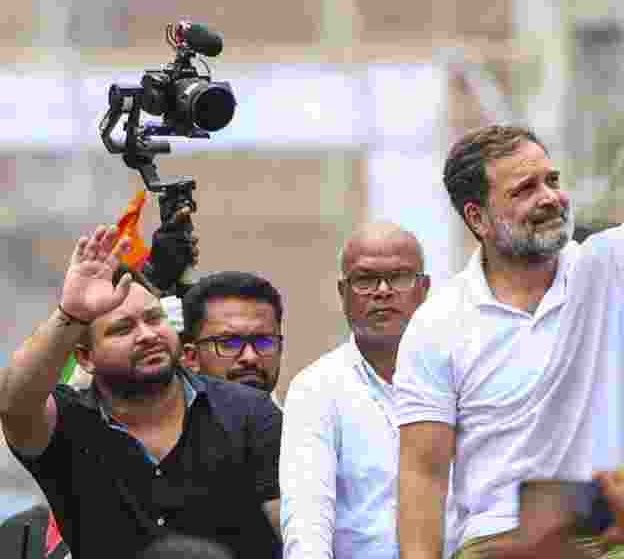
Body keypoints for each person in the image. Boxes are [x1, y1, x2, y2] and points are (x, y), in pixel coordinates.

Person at [395, 2, 624, 558]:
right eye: (525, 190)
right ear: (477, 218)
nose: (550, 197)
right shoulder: (437, 325)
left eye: (552, 180)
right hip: (504, 545)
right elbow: (422, 476)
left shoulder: (609, 268)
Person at [0, 225, 282, 559]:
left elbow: (290, 527)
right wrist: (70, 314)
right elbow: (14, 401)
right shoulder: (65, 424)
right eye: (123, 329)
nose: (148, 335)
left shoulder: (251, 411)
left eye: (154, 318)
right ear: (85, 358)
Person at [281, 222, 442, 559]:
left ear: (424, 288)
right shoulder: (315, 388)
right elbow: (307, 512)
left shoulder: (458, 374)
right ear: (343, 293)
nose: (382, 291)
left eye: (399, 277)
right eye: (365, 280)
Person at [181, 271, 285, 399]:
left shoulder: (300, 416)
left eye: (263, 342)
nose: (250, 357)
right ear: (192, 357)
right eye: (230, 343)